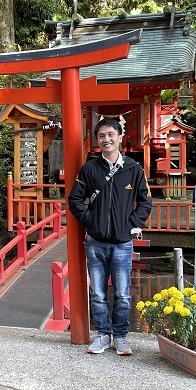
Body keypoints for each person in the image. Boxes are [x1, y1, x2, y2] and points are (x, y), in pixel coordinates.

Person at [68, 118, 152, 355]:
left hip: (122, 243)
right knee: (97, 293)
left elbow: (145, 201)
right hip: (95, 241)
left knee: (123, 294)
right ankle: (103, 335)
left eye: (110, 134)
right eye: (102, 136)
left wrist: (132, 224)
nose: (106, 139)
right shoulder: (89, 169)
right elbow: (75, 199)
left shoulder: (134, 169)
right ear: (97, 140)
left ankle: (122, 337)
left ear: (120, 136)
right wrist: (90, 220)